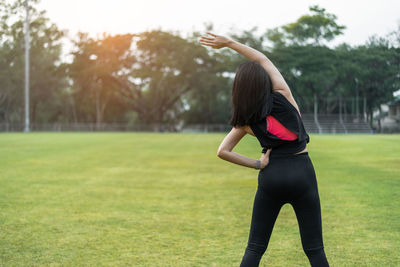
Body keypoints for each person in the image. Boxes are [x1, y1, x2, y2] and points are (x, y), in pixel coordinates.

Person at [199, 32, 330, 267]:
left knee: (255, 248)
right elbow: (263, 60)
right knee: (315, 250)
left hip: (271, 176)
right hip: (302, 172)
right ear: (264, 82)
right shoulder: (284, 95)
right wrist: (229, 43)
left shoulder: (246, 120)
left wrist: (258, 164)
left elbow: (222, 151)